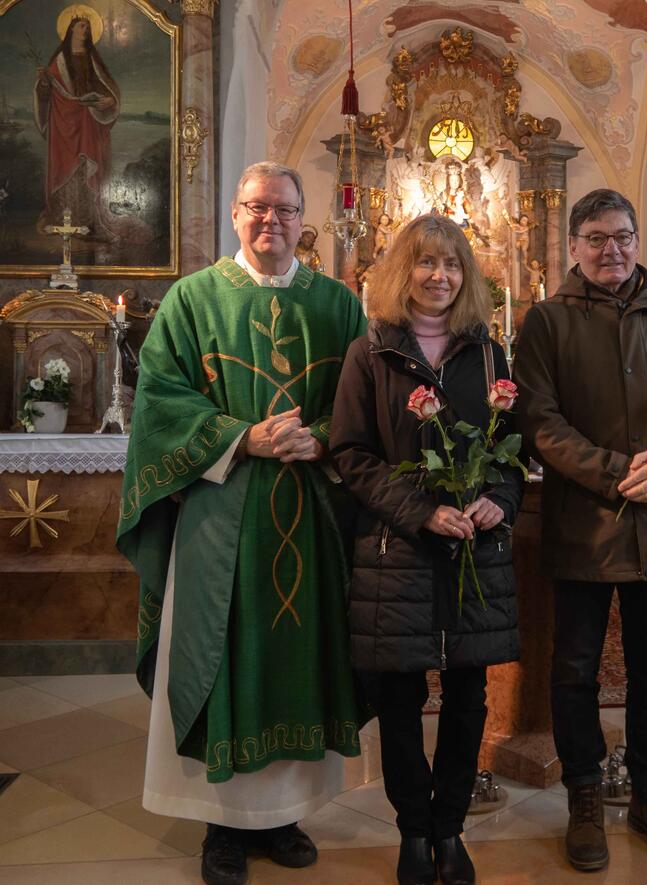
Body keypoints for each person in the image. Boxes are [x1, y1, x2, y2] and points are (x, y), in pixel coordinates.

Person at [118, 162, 367, 885]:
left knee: (297, 663)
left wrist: (320, 436)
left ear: (303, 220)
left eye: (285, 210)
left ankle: (283, 816)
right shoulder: (192, 300)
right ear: (235, 215)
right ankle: (220, 829)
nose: (271, 222)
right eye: (257, 208)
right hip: (220, 518)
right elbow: (161, 402)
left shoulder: (338, 305)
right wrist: (242, 437)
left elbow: (362, 400)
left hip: (310, 514)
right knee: (223, 660)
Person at [513, 188, 647, 872]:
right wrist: (614, 472)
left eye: (625, 237)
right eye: (599, 238)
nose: (614, 250)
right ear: (574, 246)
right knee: (574, 668)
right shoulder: (545, 321)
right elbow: (540, 422)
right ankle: (583, 794)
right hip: (585, 519)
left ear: (640, 241)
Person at [330, 214, 521, 885]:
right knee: (401, 695)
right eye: (425, 262)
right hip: (398, 551)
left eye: (451, 264)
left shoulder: (491, 355)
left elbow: (512, 453)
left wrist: (499, 497)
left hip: (474, 549)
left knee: (469, 697)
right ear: (401, 270)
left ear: (466, 275)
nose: (439, 276)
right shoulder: (371, 353)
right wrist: (420, 510)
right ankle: (414, 830)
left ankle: (451, 829)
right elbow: (350, 453)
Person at [34, 13, 119, 234]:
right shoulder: (59, 60)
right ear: (71, 29)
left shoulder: (92, 58)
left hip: (88, 120)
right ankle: (62, 223)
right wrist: (43, 82)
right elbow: (47, 93)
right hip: (63, 122)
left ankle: (90, 221)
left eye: (88, 28)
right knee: (66, 168)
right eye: (82, 26)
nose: (86, 31)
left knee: (87, 167)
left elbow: (107, 86)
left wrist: (110, 99)